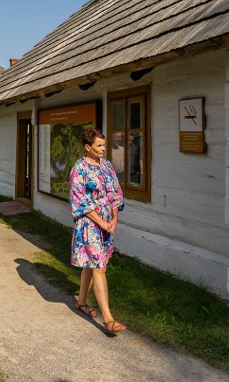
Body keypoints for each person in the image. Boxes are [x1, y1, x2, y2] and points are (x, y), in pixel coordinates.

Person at [69, 127, 126, 335]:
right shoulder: (79, 169)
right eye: (99, 145)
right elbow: (79, 200)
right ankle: (108, 319)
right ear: (88, 147)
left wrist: (113, 218)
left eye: (103, 145)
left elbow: (115, 192)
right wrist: (101, 222)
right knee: (99, 267)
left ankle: (81, 302)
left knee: (91, 264)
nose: (103, 148)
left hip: (106, 222)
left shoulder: (107, 166)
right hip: (89, 223)